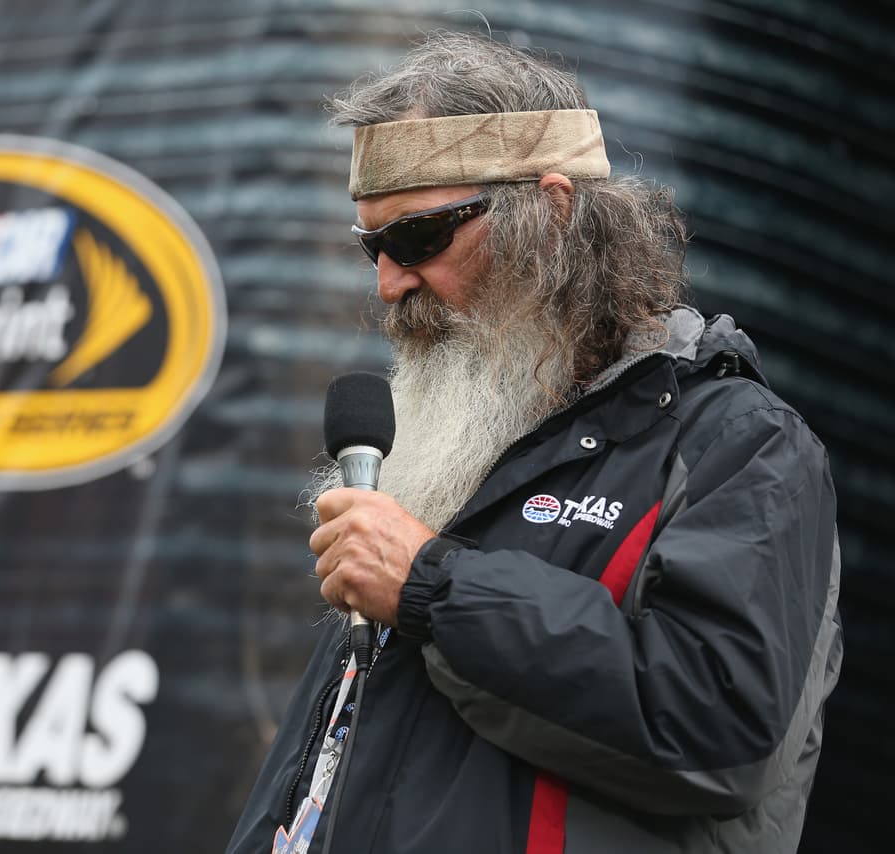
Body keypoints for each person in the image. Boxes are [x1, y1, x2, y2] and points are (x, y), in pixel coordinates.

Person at [225, 32, 842, 854]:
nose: (387, 283)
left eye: (418, 239)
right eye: (372, 246)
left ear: (550, 213)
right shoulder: (452, 442)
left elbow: (723, 728)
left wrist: (434, 589)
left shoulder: (741, 443)